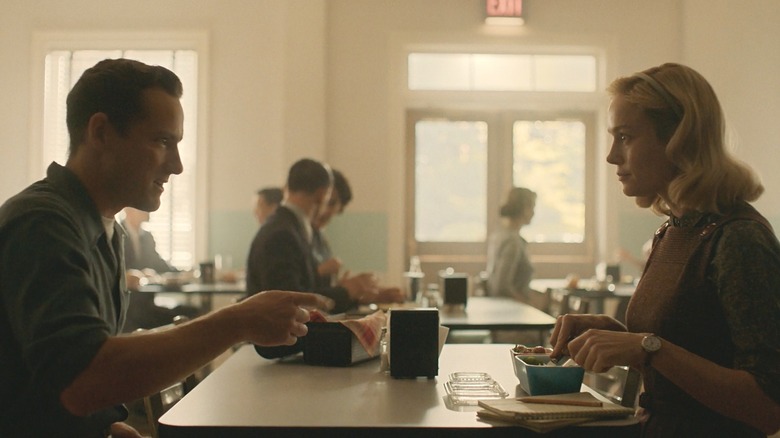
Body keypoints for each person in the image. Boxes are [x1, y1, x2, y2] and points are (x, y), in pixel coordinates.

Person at [0, 58, 329, 437]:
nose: (176, 165)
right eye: (161, 141)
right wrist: (237, 321)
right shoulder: (43, 223)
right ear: (101, 132)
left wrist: (107, 426)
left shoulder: (107, 230)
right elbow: (83, 380)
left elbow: (63, 385)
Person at [549, 63, 780, 436]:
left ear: (680, 140)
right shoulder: (672, 231)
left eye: (625, 137)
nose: (611, 156)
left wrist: (647, 348)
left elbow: (769, 406)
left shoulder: (738, 239)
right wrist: (616, 335)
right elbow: (693, 343)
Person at [120, 207, 200, 332]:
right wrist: (139, 275)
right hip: (127, 308)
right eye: (142, 207)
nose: (148, 210)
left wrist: (184, 272)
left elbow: (159, 264)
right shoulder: (116, 233)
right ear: (129, 210)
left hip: (146, 305)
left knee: (192, 313)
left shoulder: (147, 237)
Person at [485, 187, 537, 303]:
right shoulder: (513, 242)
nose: (534, 212)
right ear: (523, 208)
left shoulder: (499, 236)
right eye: (532, 207)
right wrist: (528, 305)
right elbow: (502, 286)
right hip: (512, 310)